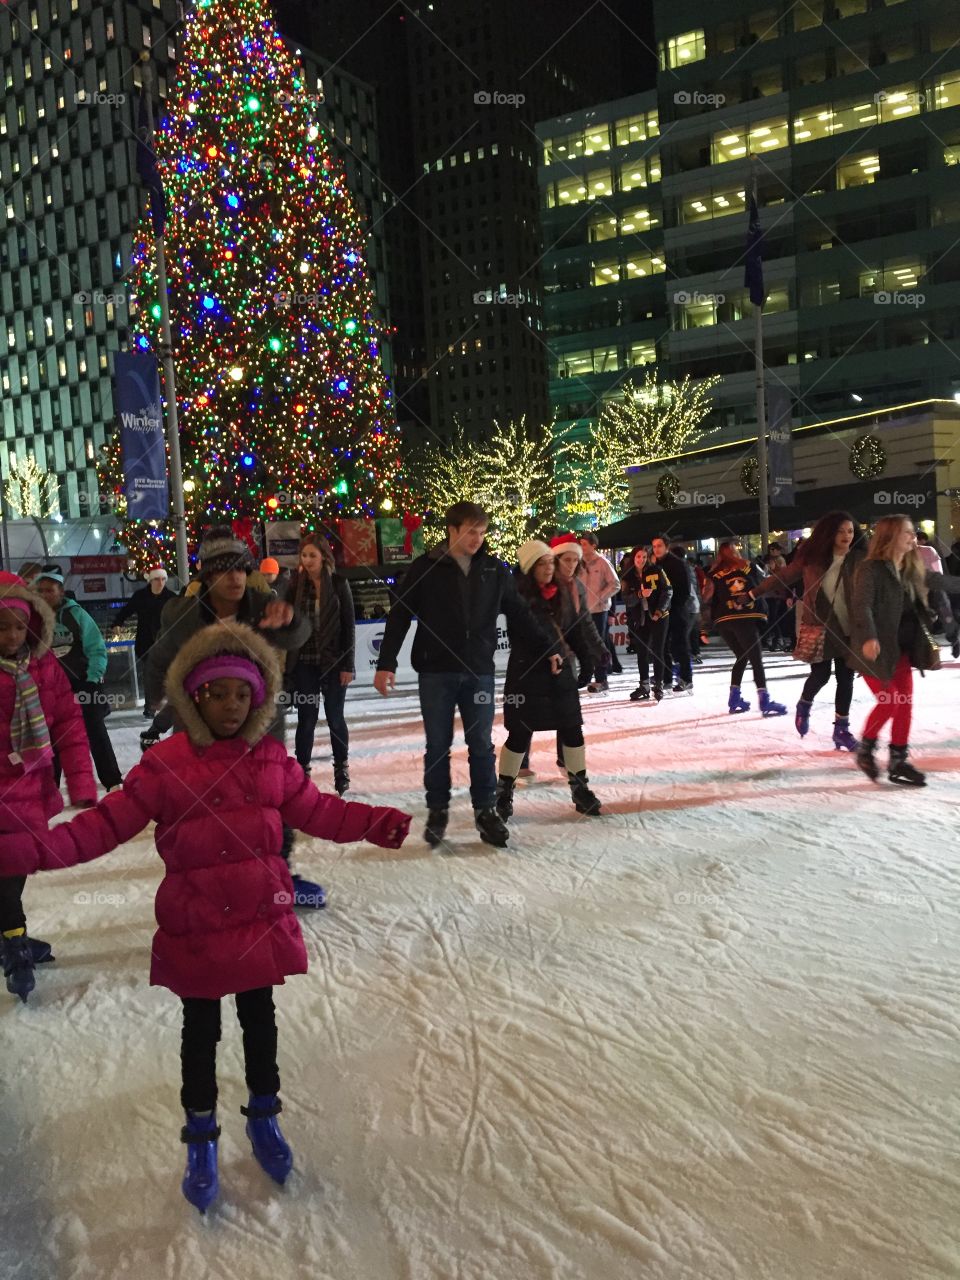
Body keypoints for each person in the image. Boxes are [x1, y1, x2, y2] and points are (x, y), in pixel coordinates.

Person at [6, 622, 410, 1212]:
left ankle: (264, 1118)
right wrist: (31, 849)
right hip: (195, 926)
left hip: (258, 921)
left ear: (258, 700)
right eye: (217, 693)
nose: (230, 706)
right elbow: (104, 825)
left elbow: (317, 810)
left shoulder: (268, 759)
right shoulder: (165, 764)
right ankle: (200, 1135)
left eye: (242, 695)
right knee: (200, 1034)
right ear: (194, 697)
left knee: (260, 1026)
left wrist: (373, 822)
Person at [143, 527, 322, 908]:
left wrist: (288, 619)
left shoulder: (263, 605)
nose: (236, 578)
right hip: (200, 722)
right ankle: (206, 880)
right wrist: (154, 695)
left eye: (242, 569)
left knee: (270, 794)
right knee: (206, 802)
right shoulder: (183, 613)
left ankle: (278, 872)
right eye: (226, 571)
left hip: (258, 718)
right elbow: (160, 656)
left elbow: (298, 634)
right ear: (208, 576)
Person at [373, 501, 562, 849]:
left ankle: (486, 811)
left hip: (478, 672)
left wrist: (549, 648)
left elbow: (520, 614)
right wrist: (386, 663)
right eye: (471, 531)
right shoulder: (425, 568)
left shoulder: (492, 570)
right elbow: (399, 615)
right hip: (436, 672)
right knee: (437, 746)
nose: (478, 538)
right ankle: (438, 809)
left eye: (482, 531)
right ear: (453, 530)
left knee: (480, 746)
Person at [0, 573, 96, 1002]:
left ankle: (10, 935)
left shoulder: (42, 667)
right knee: (6, 875)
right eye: (2, 626)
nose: (12, 635)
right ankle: (14, 943)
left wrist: (81, 782)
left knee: (14, 873)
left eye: (19, 626)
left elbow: (70, 725)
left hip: (30, 789)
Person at [849, 514, 960, 785]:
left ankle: (898, 760)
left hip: (902, 649)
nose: (913, 537)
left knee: (904, 705)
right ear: (890, 537)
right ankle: (866, 750)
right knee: (890, 702)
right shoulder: (870, 569)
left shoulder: (911, 568)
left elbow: (943, 582)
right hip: (873, 650)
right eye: (907, 533)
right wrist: (870, 637)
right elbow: (862, 605)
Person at [495, 541, 602, 820]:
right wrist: (549, 651)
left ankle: (580, 790)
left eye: (550, 563)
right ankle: (503, 793)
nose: (549, 568)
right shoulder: (516, 594)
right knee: (519, 733)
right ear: (530, 567)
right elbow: (527, 630)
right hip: (527, 673)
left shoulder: (563, 591)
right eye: (542, 564)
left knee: (572, 729)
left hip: (560, 673)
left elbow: (573, 628)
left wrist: (587, 657)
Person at [751, 511, 864, 749]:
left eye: (850, 531)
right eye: (841, 531)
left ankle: (841, 730)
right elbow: (782, 576)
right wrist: (752, 593)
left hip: (849, 628)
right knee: (821, 675)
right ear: (830, 533)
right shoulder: (812, 559)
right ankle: (804, 703)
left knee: (846, 678)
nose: (846, 536)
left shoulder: (860, 559)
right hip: (820, 626)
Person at [34, 569, 123, 791]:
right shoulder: (33, 619)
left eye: (50, 590)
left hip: (83, 683)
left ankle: (112, 779)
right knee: (52, 737)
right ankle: (50, 786)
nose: (45, 595)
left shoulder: (77, 615)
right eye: (41, 590)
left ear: (60, 592)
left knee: (95, 731)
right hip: (51, 690)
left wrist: (92, 680)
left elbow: (96, 649)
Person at [284, 534, 355, 794]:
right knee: (307, 717)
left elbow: (348, 625)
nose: (308, 560)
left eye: (312, 555)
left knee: (335, 717)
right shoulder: (296, 585)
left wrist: (348, 664)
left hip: (333, 661)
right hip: (304, 662)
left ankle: (341, 767)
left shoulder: (338, 584)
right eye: (304, 555)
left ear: (324, 557)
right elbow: (289, 624)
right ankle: (302, 770)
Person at [702, 541, 787, 716]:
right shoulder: (748, 566)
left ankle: (734, 697)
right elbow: (763, 585)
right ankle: (764, 700)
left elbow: (706, 600)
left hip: (723, 620)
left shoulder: (714, 573)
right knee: (756, 659)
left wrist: (703, 628)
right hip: (745, 617)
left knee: (742, 656)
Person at [111, 566, 176, 716]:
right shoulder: (140, 596)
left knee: (168, 675)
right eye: (157, 579)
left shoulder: (171, 597)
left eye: (163, 579)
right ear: (151, 581)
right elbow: (126, 611)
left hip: (165, 643)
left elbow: (180, 616)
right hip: (145, 643)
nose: (160, 582)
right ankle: (150, 707)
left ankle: (170, 705)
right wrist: (117, 623)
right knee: (150, 674)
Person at [620, 546, 672, 702]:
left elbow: (668, 590)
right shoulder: (628, 577)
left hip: (658, 617)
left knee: (658, 651)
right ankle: (644, 685)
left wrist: (659, 610)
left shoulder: (656, 570)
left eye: (644, 557)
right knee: (642, 652)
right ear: (633, 558)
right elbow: (627, 599)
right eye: (638, 557)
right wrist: (639, 594)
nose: (641, 560)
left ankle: (659, 685)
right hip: (639, 619)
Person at [651, 535, 695, 693]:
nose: (656, 549)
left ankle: (686, 678)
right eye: (654, 546)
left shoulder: (677, 564)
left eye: (659, 546)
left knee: (679, 646)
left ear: (667, 546)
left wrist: (673, 607)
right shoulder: (655, 564)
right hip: (662, 611)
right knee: (662, 646)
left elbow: (684, 590)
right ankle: (666, 678)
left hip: (677, 611)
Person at [577, 532, 620, 691]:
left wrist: (600, 597)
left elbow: (615, 584)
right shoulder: (579, 564)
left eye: (584, 544)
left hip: (599, 611)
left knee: (598, 645)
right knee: (586, 646)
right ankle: (588, 677)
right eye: (580, 543)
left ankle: (602, 680)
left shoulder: (602, 563)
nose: (581, 547)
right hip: (583, 611)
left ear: (593, 545)